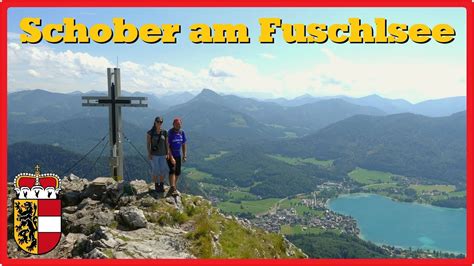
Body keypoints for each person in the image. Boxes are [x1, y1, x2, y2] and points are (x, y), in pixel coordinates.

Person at [147, 116, 170, 193]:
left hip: (163, 154)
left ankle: (161, 184)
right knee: (156, 171)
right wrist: (149, 153)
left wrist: (167, 153)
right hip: (154, 155)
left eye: (161, 122)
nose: (159, 123)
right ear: (155, 122)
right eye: (158, 122)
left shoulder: (165, 132)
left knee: (163, 170)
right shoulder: (150, 132)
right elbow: (148, 144)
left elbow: (167, 143)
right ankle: (157, 185)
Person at [166, 117, 187, 197]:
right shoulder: (170, 133)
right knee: (172, 170)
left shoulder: (182, 132)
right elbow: (168, 146)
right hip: (170, 154)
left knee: (178, 172)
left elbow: (184, 144)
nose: (179, 125)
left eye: (180, 124)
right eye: (177, 124)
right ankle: (172, 187)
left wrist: (184, 155)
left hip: (178, 155)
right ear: (173, 124)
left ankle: (173, 185)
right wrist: (171, 158)